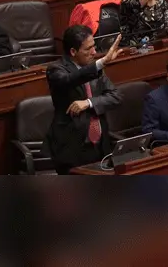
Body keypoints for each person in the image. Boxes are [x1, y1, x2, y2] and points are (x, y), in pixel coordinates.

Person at [43, 26, 123, 174]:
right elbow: (69, 80)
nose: (94, 52)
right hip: (72, 146)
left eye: (94, 46)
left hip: (100, 145)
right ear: (73, 51)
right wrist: (101, 63)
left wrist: (89, 103)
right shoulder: (56, 70)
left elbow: (115, 96)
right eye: (88, 49)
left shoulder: (95, 69)